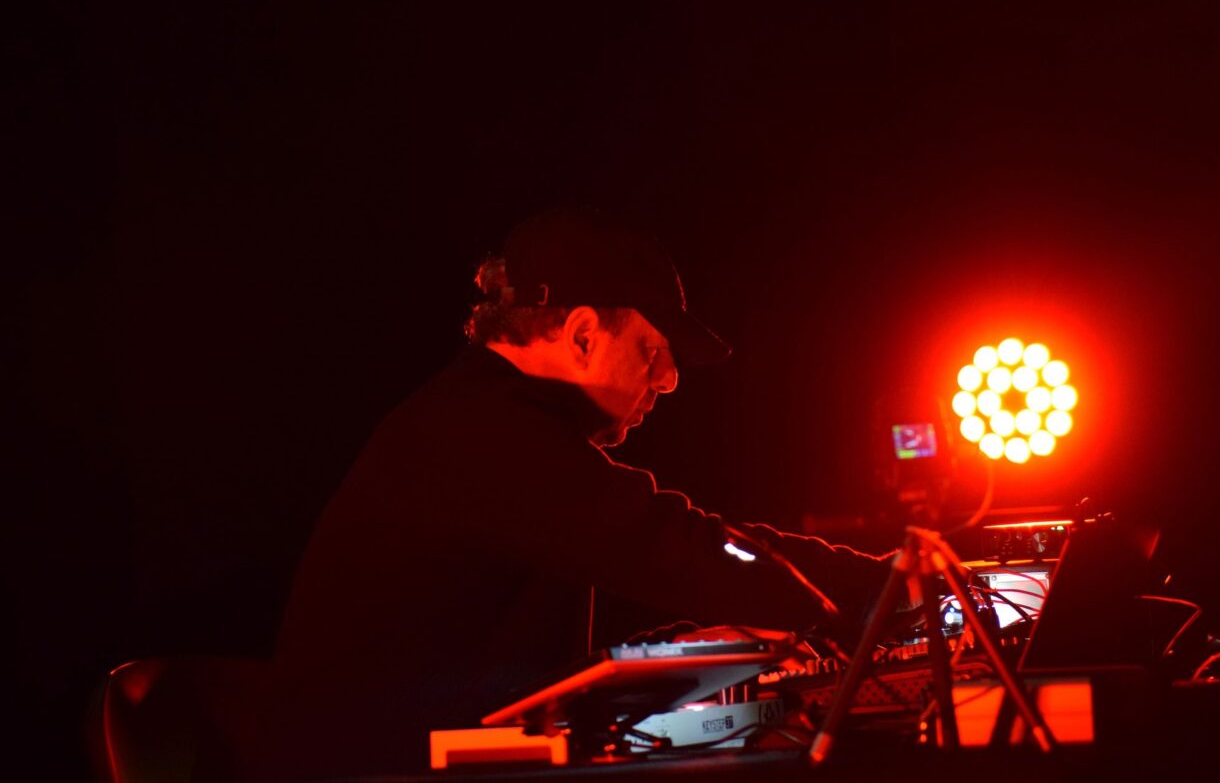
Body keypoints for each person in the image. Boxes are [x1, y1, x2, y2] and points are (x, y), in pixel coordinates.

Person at [257, 208, 892, 780]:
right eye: (653, 351)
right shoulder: (483, 434)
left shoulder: (479, 420)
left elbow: (549, 657)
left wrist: (681, 648)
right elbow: (680, 546)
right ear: (584, 334)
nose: (668, 382)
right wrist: (889, 597)